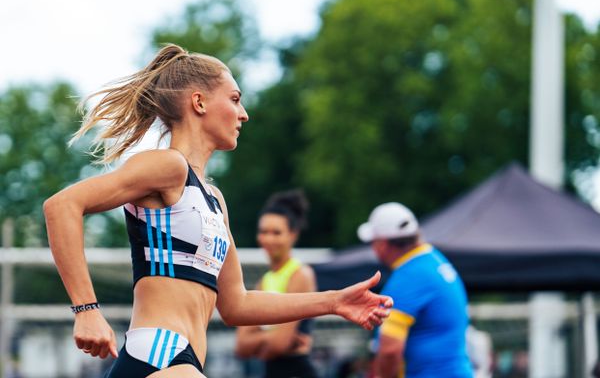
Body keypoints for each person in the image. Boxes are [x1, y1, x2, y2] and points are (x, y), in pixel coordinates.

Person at [43, 44, 393, 378]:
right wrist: (86, 310)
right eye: (235, 99)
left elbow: (237, 304)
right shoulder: (168, 166)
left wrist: (333, 302)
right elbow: (61, 206)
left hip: (184, 358)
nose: (244, 113)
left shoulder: (213, 199)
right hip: (158, 352)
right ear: (199, 102)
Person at [357, 202, 473, 378]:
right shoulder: (435, 261)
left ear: (382, 244)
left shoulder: (408, 277)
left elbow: (389, 350)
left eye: (372, 242)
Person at [235, 189, 319, 378]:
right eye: (264, 232)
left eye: (276, 232)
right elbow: (241, 346)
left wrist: (260, 342)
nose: (269, 239)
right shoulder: (263, 282)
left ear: (293, 235)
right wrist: (272, 340)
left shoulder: (300, 275)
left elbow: (278, 344)